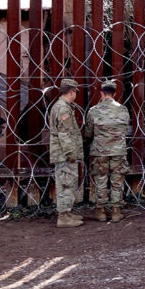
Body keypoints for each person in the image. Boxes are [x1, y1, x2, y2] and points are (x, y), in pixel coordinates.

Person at [84, 80, 130, 222]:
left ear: (101, 93)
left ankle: (101, 212)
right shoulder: (123, 109)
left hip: (100, 151)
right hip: (118, 151)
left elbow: (88, 133)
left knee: (101, 180)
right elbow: (125, 129)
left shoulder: (94, 110)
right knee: (117, 181)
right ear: (115, 93)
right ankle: (116, 211)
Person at [48, 78, 83, 228]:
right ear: (71, 91)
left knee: (66, 182)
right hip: (64, 153)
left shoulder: (62, 106)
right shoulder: (63, 108)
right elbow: (65, 133)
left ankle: (67, 213)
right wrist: (71, 153)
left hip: (61, 152)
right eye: (75, 92)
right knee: (66, 183)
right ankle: (63, 217)